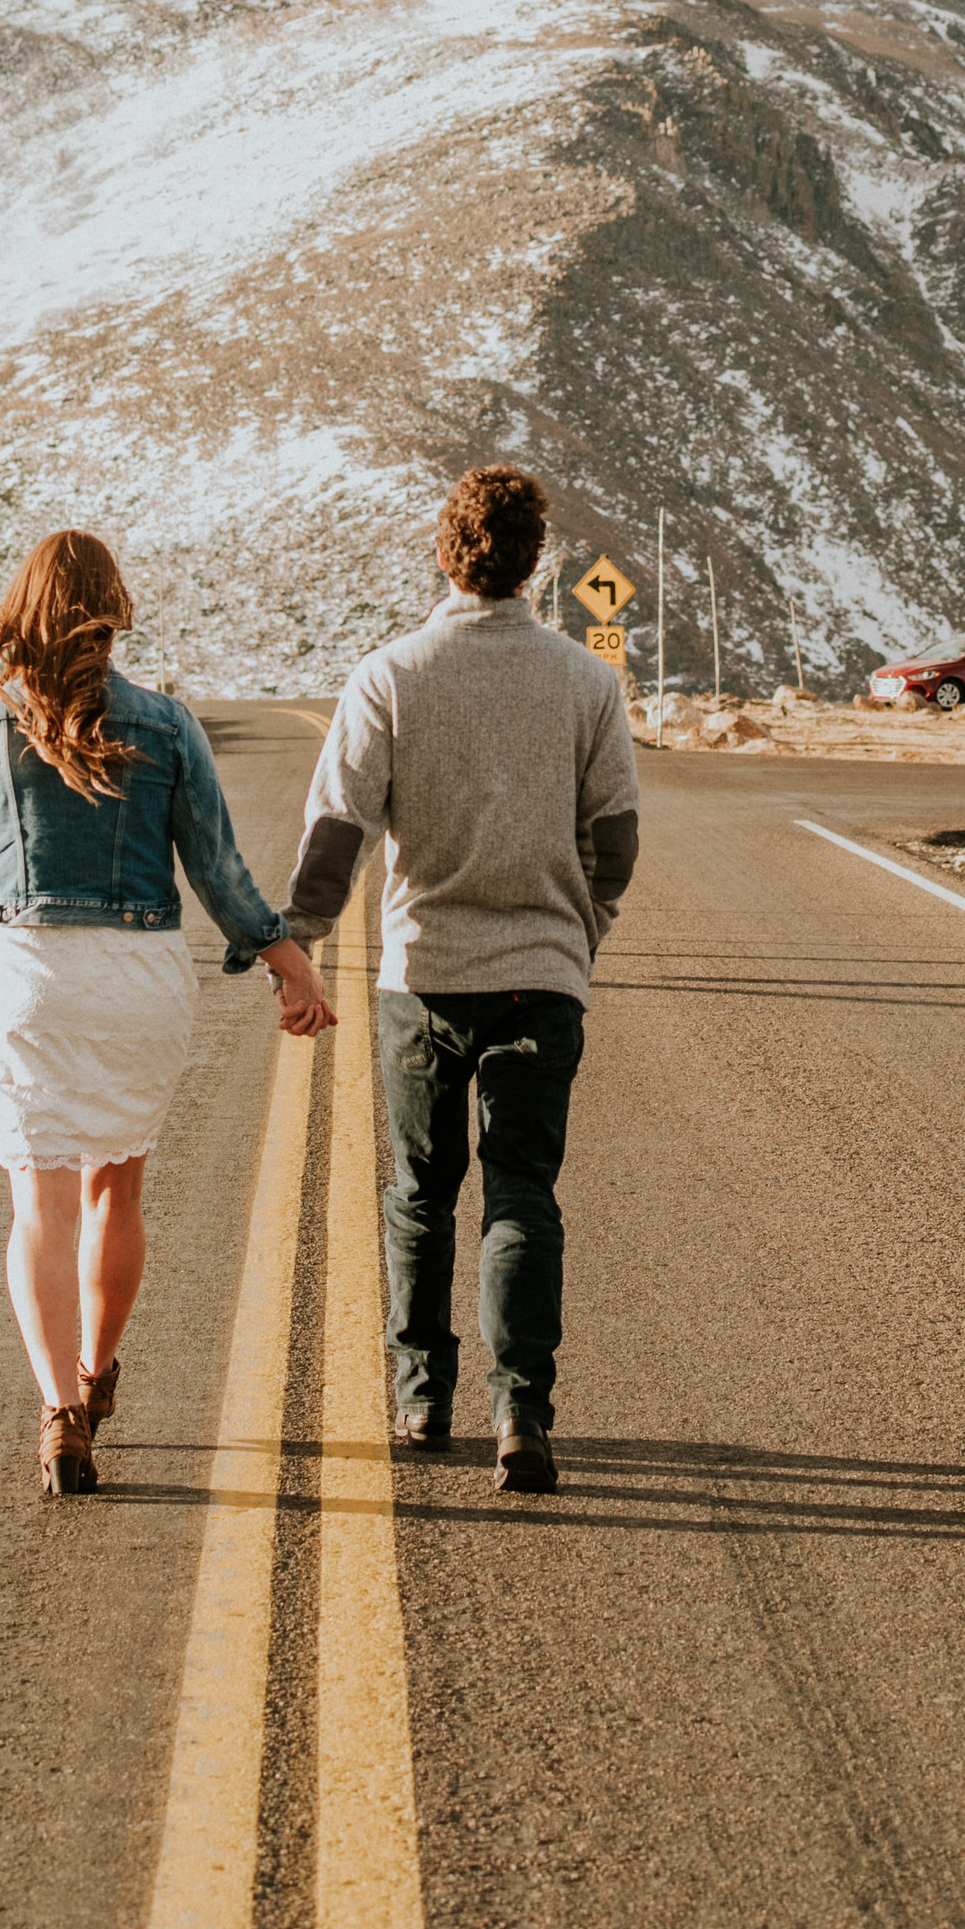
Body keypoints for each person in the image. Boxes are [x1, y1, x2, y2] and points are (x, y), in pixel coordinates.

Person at [0, 529, 334, 1497]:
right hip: (136, 974)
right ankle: (95, 1373)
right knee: (117, 1191)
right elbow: (218, 868)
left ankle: (58, 1413)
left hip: (27, 970)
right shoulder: (165, 723)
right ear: (113, 606)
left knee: (40, 1203)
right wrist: (289, 963)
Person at [287, 464, 640, 1493]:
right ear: (536, 563)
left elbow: (337, 831)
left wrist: (298, 941)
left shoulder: (391, 675)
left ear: (446, 555)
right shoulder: (587, 683)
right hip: (543, 975)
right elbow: (613, 840)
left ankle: (419, 1396)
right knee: (522, 1194)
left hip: (422, 978)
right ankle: (521, 1411)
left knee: (420, 1194)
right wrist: (580, 935)